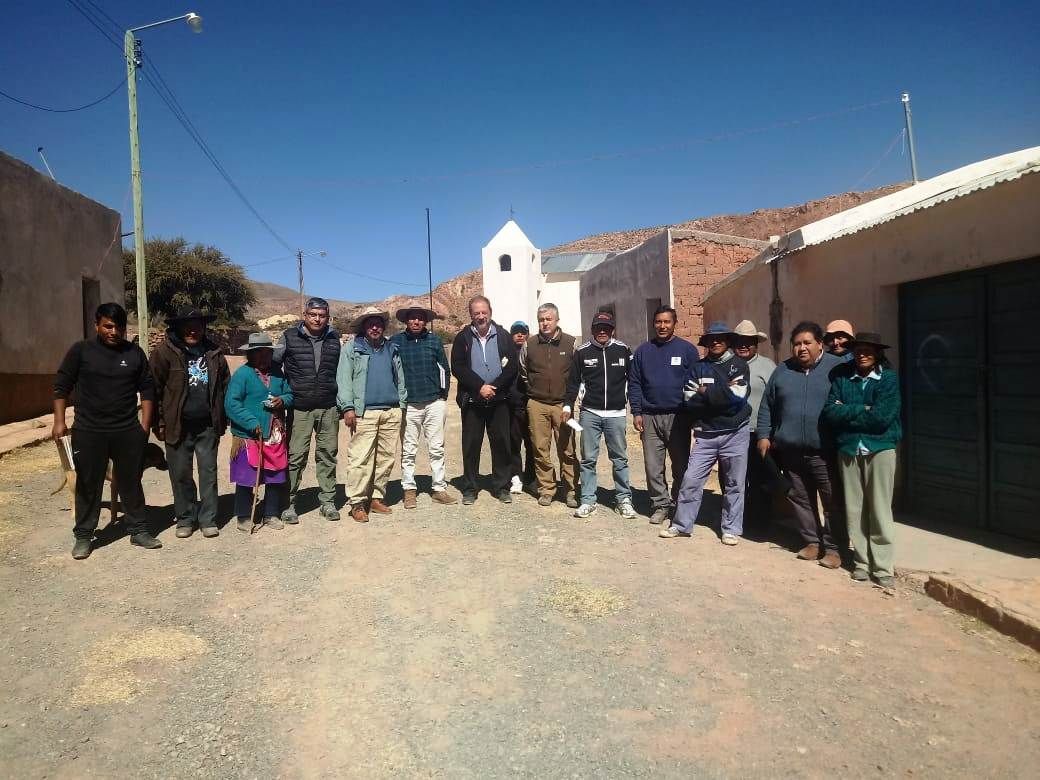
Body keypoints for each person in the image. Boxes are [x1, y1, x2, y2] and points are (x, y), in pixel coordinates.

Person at [53, 302, 160, 558]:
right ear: (97, 326)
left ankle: (139, 530)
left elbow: (147, 389)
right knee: (88, 484)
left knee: (130, 482)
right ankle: (83, 536)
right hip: (89, 430)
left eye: (119, 327)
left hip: (127, 430)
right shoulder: (81, 351)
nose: (114, 332)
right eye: (108, 326)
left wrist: (145, 425)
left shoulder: (134, 353)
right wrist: (59, 421)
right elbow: (61, 386)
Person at [757, 322, 845, 569]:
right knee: (800, 499)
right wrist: (764, 435)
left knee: (832, 501)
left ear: (820, 344)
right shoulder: (783, 370)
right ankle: (812, 542)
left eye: (807, 343)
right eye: (797, 344)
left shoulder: (836, 368)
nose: (802, 348)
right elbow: (767, 405)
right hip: (791, 450)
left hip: (825, 451)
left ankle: (834, 548)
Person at [821, 332, 902, 587]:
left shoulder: (888, 379)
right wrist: (863, 409)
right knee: (855, 509)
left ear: (877, 353)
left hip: (880, 448)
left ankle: (883, 567)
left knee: (879, 507)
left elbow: (882, 418)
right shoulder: (843, 378)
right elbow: (831, 413)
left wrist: (848, 412)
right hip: (849, 449)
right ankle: (861, 563)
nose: (862, 355)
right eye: (858, 351)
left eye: (868, 351)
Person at [660, 322, 751, 544]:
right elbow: (689, 401)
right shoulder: (697, 368)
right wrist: (721, 394)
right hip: (705, 434)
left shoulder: (739, 365)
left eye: (720, 338)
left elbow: (738, 397)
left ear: (728, 341)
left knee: (734, 483)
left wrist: (705, 392)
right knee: (691, 480)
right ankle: (681, 524)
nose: (716, 342)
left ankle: (731, 529)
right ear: (706, 343)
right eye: (711, 339)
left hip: (735, 433)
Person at [149, 306, 230, 539]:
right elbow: (153, 390)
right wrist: (158, 422)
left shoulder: (214, 352)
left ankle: (208, 519)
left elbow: (225, 386)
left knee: (208, 473)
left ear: (203, 328)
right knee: (180, 473)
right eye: (188, 326)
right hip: (177, 425)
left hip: (207, 425)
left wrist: (223, 418)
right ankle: (185, 518)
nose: (193, 331)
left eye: (198, 326)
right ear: (178, 327)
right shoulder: (164, 353)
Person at [628, 306, 699, 525]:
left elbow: (695, 382)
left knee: (681, 465)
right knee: (653, 466)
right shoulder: (643, 351)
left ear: (674, 323)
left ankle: (679, 503)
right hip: (649, 416)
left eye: (667, 322)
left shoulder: (687, 350)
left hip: (678, 416)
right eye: (658, 321)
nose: (662, 326)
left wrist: (693, 414)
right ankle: (660, 505)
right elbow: (635, 383)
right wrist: (637, 412)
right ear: (653, 323)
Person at [274, 297, 342, 523]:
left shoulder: (334, 339)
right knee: (296, 456)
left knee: (328, 455)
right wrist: (282, 394)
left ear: (328, 317)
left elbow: (340, 371)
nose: (317, 319)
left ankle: (327, 502)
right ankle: (288, 504)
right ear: (305, 315)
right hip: (299, 408)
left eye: (322, 315)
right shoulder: (289, 337)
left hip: (328, 407)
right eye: (313, 315)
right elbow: (273, 364)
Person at [337, 307, 407, 523]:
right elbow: (344, 379)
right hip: (364, 413)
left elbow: (400, 377)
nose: (375, 327)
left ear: (383, 326)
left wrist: (402, 403)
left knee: (385, 458)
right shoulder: (352, 348)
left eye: (378, 323)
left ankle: (376, 497)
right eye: (370, 324)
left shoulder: (392, 348)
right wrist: (348, 407)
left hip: (391, 411)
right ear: (363, 327)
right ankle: (357, 502)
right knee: (360, 458)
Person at [564, 311, 635, 519]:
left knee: (619, 459)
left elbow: (634, 381)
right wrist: (568, 406)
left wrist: (636, 409)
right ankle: (588, 500)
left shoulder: (623, 350)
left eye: (606, 328)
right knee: (588, 459)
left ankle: (623, 499)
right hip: (590, 413)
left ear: (613, 329)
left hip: (616, 414)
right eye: (598, 328)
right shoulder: (582, 352)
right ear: (592, 329)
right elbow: (573, 382)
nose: (602, 331)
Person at [450, 295, 518, 505]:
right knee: (471, 445)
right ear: (471, 315)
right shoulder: (463, 338)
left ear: (490, 312)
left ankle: (502, 486)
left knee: (501, 444)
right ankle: (470, 487)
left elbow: (512, 366)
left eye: (484, 312)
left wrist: (494, 387)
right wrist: (479, 386)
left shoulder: (503, 336)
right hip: (473, 400)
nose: (481, 316)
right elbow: (458, 367)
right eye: (476, 313)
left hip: (499, 399)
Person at [224, 333, 293, 533]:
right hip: (248, 435)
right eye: (258, 353)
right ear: (250, 355)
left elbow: (290, 394)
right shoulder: (242, 375)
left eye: (267, 353)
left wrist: (282, 400)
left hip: (274, 433)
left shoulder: (277, 373)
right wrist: (251, 422)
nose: (263, 357)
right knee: (247, 476)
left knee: (274, 474)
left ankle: (271, 513)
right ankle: (244, 515)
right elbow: (231, 403)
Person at [390, 303, 457, 508]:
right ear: (406, 320)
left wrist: (442, 395)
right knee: (409, 449)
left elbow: (444, 369)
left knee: (436, 447)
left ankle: (439, 488)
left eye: (420, 318)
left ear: (425, 321)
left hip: (433, 402)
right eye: (412, 317)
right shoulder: (396, 342)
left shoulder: (434, 341)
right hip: (409, 405)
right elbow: (391, 370)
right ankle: (409, 489)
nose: (416, 321)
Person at [521, 303, 579, 508]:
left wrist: (570, 401)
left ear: (557, 320)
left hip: (563, 405)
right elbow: (523, 371)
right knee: (540, 449)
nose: (544, 323)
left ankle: (571, 490)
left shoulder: (571, 343)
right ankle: (546, 489)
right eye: (541, 320)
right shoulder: (529, 344)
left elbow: (577, 374)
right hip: (537, 404)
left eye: (548, 319)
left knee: (567, 449)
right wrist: (533, 389)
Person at [732, 319, 776, 530]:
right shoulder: (727, 364)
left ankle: (759, 522)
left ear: (756, 344)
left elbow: (776, 399)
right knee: (732, 478)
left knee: (759, 478)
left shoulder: (768, 367)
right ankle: (735, 518)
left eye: (748, 341)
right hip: (731, 432)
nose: (743, 345)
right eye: (739, 341)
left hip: (757, 432)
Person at [507, 321, 535, 493]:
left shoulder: (533, 352)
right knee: (514, 443)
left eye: (523, 332)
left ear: (527, 335)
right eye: (516, 332)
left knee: (532, 444)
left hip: (531, 405)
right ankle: (516, 476)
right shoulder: (506, 354)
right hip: (513, 406)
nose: (519, 335)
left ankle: (531, 478)